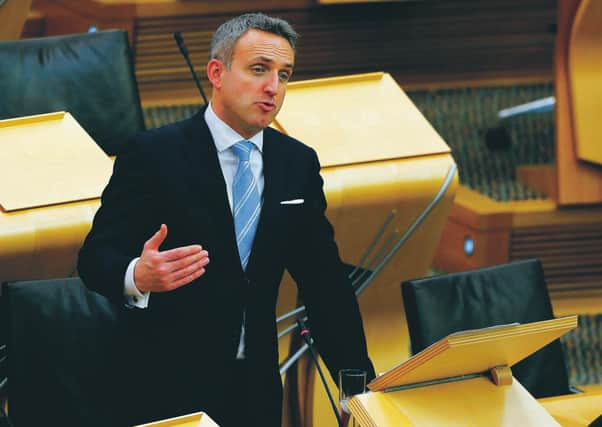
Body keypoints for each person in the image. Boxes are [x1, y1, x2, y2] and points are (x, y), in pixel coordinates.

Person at [78, 12, 374, 427]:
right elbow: (94, 258)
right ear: (217, 72)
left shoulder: (296, 164)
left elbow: (325, 286)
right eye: (259, 70)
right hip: (163, 389)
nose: (273, 87)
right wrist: (137, 276)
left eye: (284, 75)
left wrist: (356, 388)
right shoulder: (152, 155)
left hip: (255, 392)